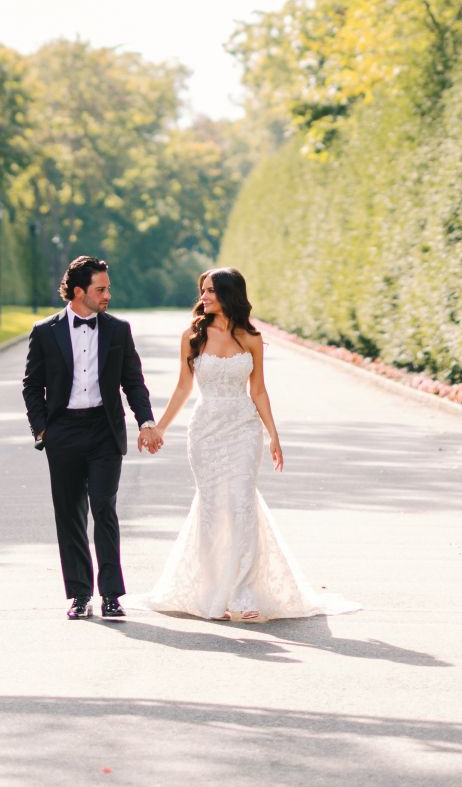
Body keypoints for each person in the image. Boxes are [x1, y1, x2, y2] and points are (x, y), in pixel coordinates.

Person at [141, 267, 355, 624]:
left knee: (241, 502)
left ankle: (243, 592)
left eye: (210, 291)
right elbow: (183, 388)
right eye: (203, 291)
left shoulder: (251, 338)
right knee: (212, 508)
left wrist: (273, 434)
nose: (204, 297)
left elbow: (258, 390)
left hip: (243, 429)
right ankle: (213, 591)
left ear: (229, 295)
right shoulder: (192, 337)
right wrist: (159, 427)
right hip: (206, 430)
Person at [22, 253, 159, 619]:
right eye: (101, 289)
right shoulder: (44, 332)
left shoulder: (117, 330)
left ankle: (112, 594)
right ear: (78, 291)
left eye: (108, 288)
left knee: (104, 508)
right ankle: (80, 595)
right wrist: (42, 429)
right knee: (69, 514)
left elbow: (133, 382)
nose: (107, 295)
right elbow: (32, 385)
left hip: (104, 431)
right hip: (62, 432)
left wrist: (146, 422)